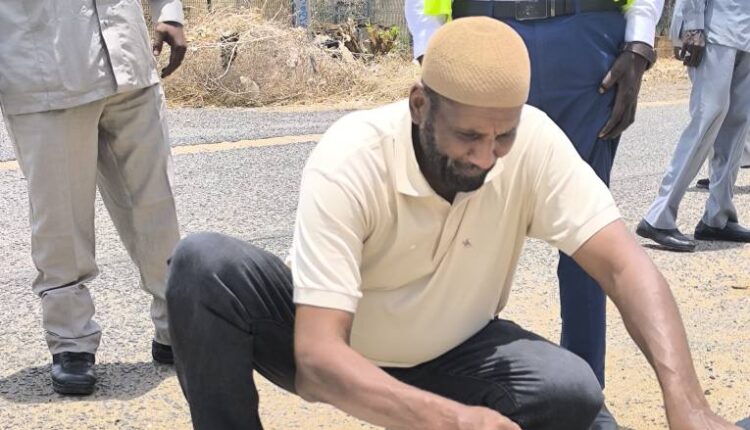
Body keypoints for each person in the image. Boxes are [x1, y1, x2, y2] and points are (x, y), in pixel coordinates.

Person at [166, 18, 737, 430]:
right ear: (420, 105)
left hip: (454, 351)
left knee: (572, 391)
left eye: (502, 136)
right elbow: (316, 362)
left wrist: (686, 401)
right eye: (468, 136)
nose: (486, 157)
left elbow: (625, 266)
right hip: (334, 341)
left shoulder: (534, 142)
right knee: (203, 266)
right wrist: (453, 420)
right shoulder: (352, 155)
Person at [405, 0, 663, 425]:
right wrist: (432, 47)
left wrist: (639, 41)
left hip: (587, 46)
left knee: (588, 236)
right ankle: (462, 396)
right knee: (462, 226)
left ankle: (584, 405)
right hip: (481, 40)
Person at [0, 0, 187, 395]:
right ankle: (71, 342)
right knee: (61, 221)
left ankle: (178, 326)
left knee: (157, 207)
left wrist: (168, 10)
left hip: (128, 60)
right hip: (44, 73)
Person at [637, 0, 750, 252]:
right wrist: (693, 24)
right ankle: (659, 216)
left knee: (738, 123)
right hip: (716, 27)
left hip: (746, 33)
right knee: (707, 118)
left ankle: (718, 218)